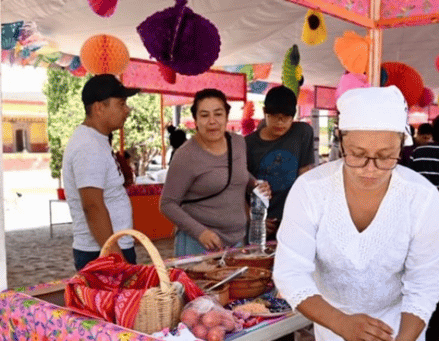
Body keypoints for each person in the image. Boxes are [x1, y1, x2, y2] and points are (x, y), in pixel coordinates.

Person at [273, 85, 439, 341]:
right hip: (331, 327)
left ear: (401, 148)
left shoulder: (422, 198)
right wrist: (340, 323)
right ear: (340, 142)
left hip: (397, 333)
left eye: (385, 157)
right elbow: (290, 273)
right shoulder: (311, 190)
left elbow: (424, 284)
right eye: (357, 155)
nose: (370, 169)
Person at [160, 88, 271, 256]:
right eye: (204, 115)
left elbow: (239, 172)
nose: (212, 121)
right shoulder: (185, 156)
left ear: (226, 117)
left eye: (218, 114)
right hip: (198, 244)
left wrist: (255, 186)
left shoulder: (238, 142)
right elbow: (167, 204)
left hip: (238, 240)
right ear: (196, 120)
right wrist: (200, 232)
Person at [62, 74, 140, 270]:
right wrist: (115, 256)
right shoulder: (88, 146)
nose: (127, 110)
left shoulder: (97, 140)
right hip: (101, 252)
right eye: (121, 103)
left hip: (108, 248)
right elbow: (93, 205)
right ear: (99, 108)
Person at [245, 85, 314, 240]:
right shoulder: (248, 144)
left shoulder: (302, 133)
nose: (280, 122)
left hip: (294, 220)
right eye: (275, 116)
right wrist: (255, 218)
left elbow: (304, 176)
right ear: (265, 113)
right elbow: (241, 186)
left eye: (286, 117)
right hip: (262, 223)